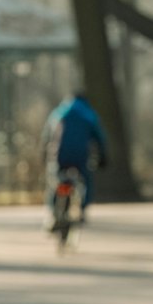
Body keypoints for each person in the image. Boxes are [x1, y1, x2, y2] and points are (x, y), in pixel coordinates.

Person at [43, 90, 108, 222]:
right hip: (81, 155)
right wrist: (103, 156)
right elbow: (99, 137)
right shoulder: (88, 114)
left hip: (59, 154)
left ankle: (54, 211)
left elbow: (47, 135)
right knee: (85, 180)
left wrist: (44, 154)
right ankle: (82, 209)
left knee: (56, 180)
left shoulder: (59, 112)